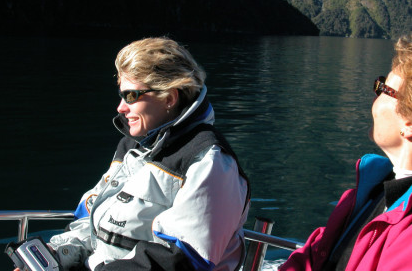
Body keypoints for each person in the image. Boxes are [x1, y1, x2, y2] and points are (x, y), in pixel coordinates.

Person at [30, 37, 250, 271]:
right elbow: (89, 220)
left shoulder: (209, 161)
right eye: (121, 95)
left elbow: (184, 260)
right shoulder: (131, 148)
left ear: (169, 98)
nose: (120, 108)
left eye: (131, 96)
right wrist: (57, 256)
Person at [280, 34, 412, 271]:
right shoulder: (369, 190)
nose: (375, 96)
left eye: (384, 89)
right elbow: (311, 259)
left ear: (409, 122)